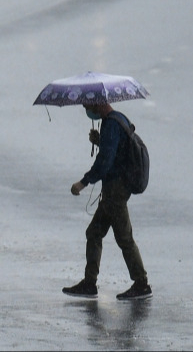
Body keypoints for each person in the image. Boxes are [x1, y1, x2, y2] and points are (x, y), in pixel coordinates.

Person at [63, 103, 151, 300]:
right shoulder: (119, 119)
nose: (86, 108)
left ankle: (141, 283)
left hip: (116, 190)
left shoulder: (110, 124)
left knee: (124, 237)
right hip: (117, 188)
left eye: (88, 104)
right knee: (94, 232)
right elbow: (116, 152)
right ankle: (89, 283)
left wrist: (83, 182)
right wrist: (100, 141)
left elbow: (105, 161)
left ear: (98, 103)